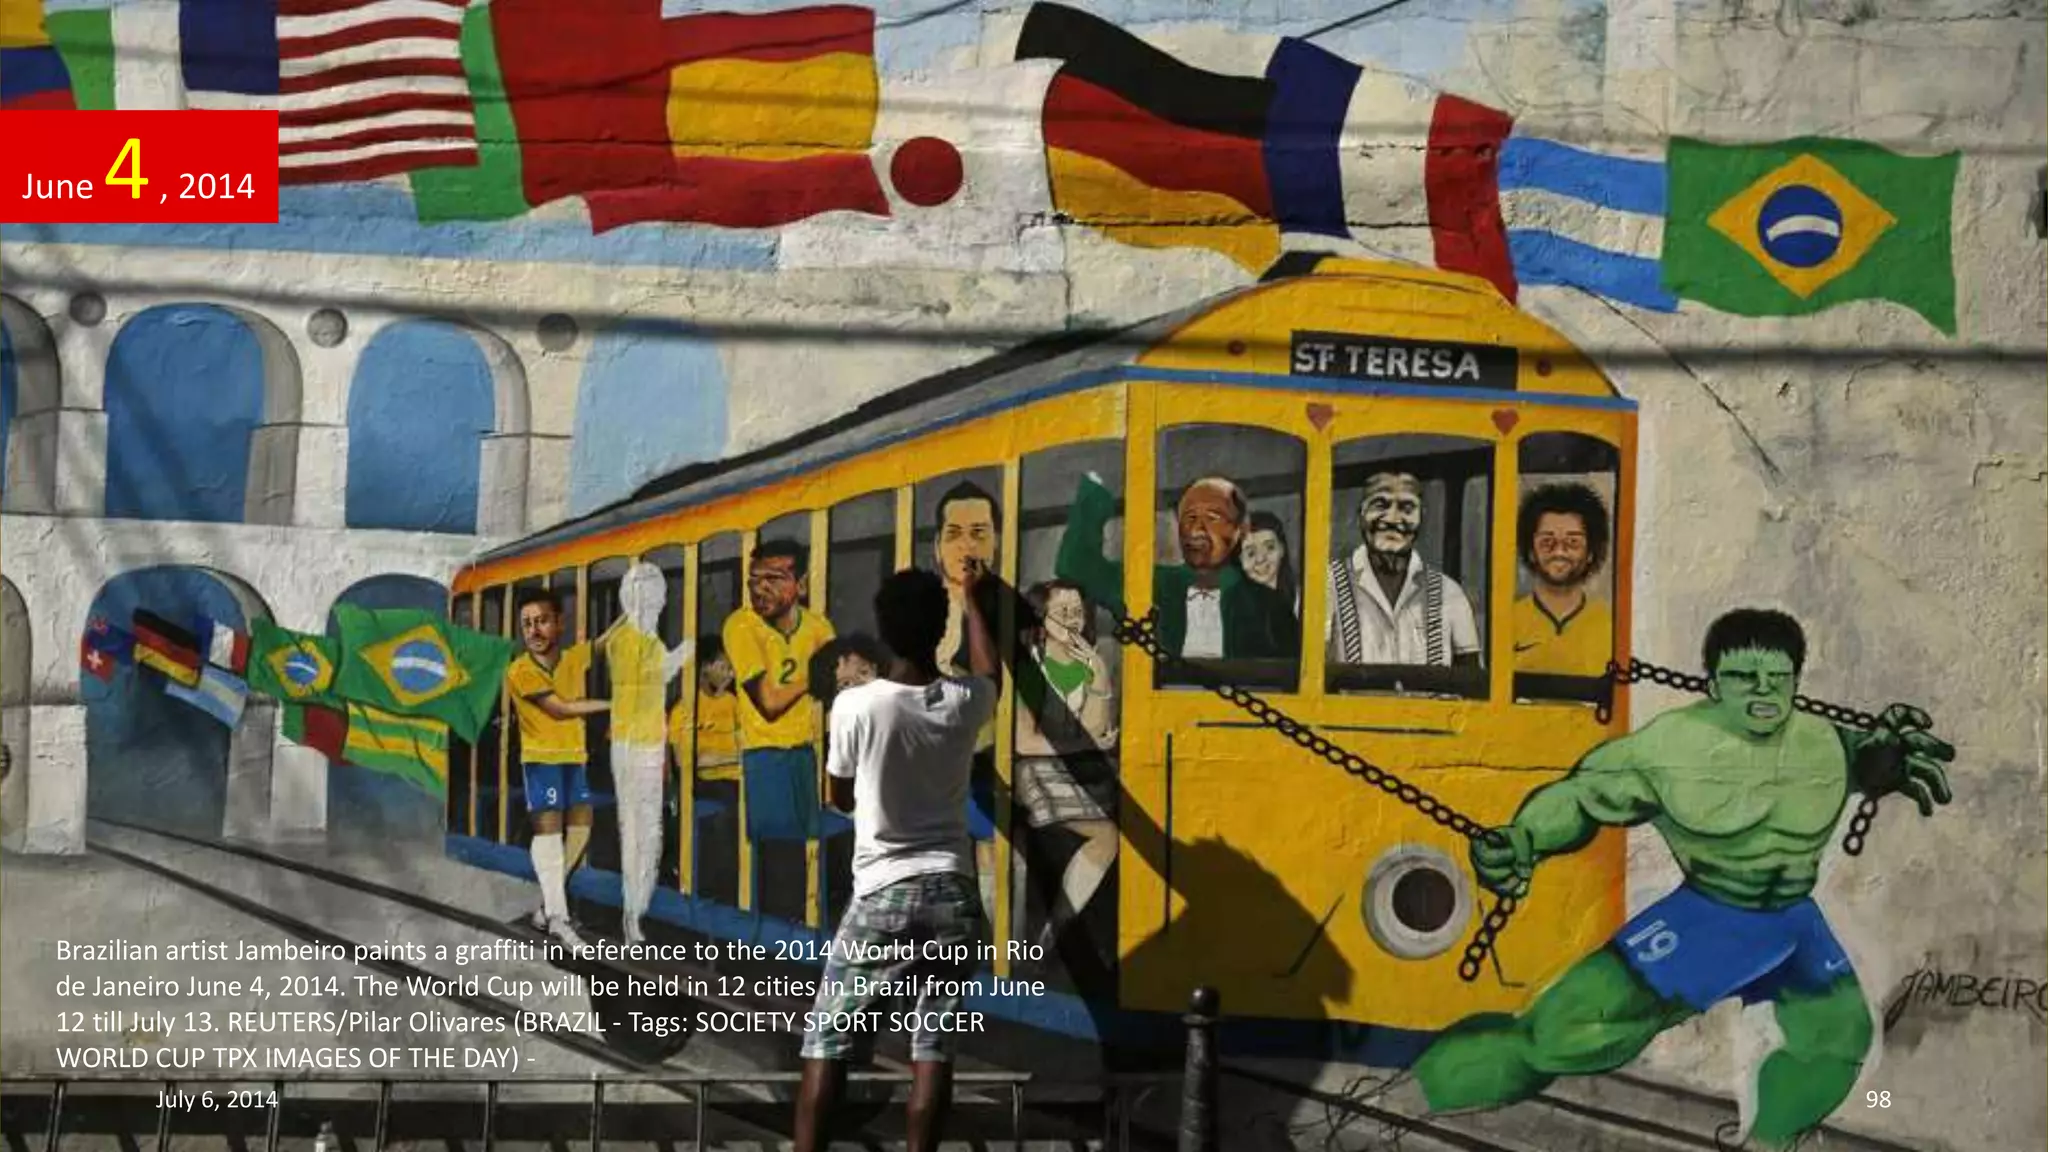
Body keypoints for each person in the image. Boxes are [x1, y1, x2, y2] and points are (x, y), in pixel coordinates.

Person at [1413, 609, 1955, 1150]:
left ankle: (1770, 1142)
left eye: (1778, 676)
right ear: (1714, 683)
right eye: (1744, 676)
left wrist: (1886, 761)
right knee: (1561, 1040)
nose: (1763, 689)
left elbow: (1870, 759)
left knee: (1839, 1041)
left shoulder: (1826, 743)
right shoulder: (1668, 748)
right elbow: (1579, 798)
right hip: (1706, 920)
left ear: (1795, 679)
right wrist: (1524, 841)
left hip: (1793, 925)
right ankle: (1419, 1090)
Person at [793, 565, 1000, 1152]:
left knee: (827, 1040)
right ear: (940, 632)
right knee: (933, 1047)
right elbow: (992, 674)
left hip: (885, 891)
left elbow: (837, 795)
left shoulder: (856, 706)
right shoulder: (963, 701)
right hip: (955, 894)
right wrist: (977, 603)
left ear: (881, 633)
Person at [1056, 472, 1297, 661]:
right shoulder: (1153, 585)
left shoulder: (1267, 605)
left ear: (1240, 530)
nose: (1196, 530)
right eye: (1189, 518)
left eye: (1213, 518)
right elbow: (1076, 565)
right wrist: (1094, 494)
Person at [721, 540, 836, 905]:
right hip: (764, 756)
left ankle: (804, 931)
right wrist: (814, 676)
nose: (761, 589)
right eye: (754, 580)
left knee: (815, 853)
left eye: (774, 578)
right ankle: (774, 947)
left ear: (800, 584)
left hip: (806, 752)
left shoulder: (818, 627)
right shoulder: (741, 625)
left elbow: (838, 688)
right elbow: (769, 702)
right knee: (779, 858)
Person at [1014, 580, 1119, 948]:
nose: (1073, 621)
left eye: (1078, 612)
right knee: (1105, 837)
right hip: (1033, 772)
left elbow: (1097, 727)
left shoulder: (1092, 662)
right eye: (1063, 613)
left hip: (1081, 773)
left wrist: (1098, 671)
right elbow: (1024, 742)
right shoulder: (1027, 665)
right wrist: (1080, 745)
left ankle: (1055, 932)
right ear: (1041, 619)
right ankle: (1051, 936)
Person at [506, 590, 611, 949]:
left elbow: (601, 644)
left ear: (560, 622)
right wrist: (615, 703)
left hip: (572, 757)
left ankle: (546, 905)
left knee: (581, 830)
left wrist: (634, 606)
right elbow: (560, 709)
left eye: (542, 621)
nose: (534, 630)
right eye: (527, 624)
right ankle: (557, 919)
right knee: (550, 838)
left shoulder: (571, 658)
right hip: (541, 761)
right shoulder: (520, 670)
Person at [600, 562, 693, 945]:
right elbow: (655, 675)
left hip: (649, 744)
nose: (655, 603)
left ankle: (639, 909)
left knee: (651, 831)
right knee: (637, 832)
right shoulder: (626, 641)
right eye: (649, 595)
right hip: (629, 746)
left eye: (657, 596)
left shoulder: (646, 639)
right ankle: (631, 915)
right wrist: (687, 650)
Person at [1326, 470, 1481, 668]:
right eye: (1380, 505)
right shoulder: (1326, 586)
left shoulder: (1449, 593)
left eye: (1406, 508)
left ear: (1421, 518)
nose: (1392, 518)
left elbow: (1471, 683)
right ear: (1361, 514)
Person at [1511, 483, 1613, 677]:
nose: (1559, 551)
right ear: (1531, 551)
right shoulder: (1509, 621)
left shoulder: (1609, 624)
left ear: (1591, 552)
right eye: (1547, 542)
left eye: (1573, 542)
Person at [1239, 511, 1300, 617]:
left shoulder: (1306, 601)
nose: (1260, 558)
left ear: (1282, 549)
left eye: (1270, 547)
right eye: (1251, 553)